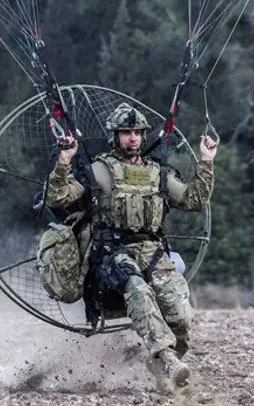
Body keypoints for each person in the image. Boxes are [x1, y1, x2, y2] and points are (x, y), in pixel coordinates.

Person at [44, 102, 217, 386]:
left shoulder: (158, 173)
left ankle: (164, 362)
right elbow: (58, 198)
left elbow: (194, 200)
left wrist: (207, 160)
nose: (133, 138)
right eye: (126, 132)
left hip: (152, 252)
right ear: (115, 136)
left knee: (181, 315)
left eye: (137, 133)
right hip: (113, 253)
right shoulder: (99, 171)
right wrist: (64, 161)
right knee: (137, 288)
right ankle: (167, 359)